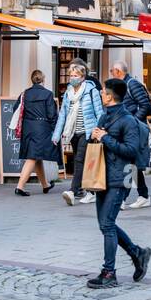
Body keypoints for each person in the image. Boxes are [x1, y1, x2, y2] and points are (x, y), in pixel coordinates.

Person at [86, 77, 151, 289]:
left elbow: (130, 150)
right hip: (102, 175)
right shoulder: (105, 115)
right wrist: (95, 136)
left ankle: (109, 273)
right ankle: (137, 253)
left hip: (121, 176)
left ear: (110, 95)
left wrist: (104, 137)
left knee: (107, 224)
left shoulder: (127, 120)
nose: (101, 94)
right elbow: (99, 141)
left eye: (103, 91)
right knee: (106, 224)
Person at [52, 60, 103, 206]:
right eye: (71, 75)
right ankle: (91, 192)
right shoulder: (68, 92)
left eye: (75, 75)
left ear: (82, 77)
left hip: (87, 132)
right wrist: (56, 135)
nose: (72, 78)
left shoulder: (91, 90)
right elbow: (63, 114)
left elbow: (99, 112)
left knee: (80, 160)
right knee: (81, 161)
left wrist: (99, 131)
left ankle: (72, 191)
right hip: (73, 132)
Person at [111, 61, 151, 210]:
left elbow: (145, 105)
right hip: (128, 129)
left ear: (118, 72)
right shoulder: (123, 86)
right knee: (133, 163)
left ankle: (122, 198)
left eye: (112, 71)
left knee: (128, 163)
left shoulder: (132, 84)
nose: (111, 73)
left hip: (134, 130)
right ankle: (143, 196)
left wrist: (133, 121)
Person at [14, 70, 60, 196]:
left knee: (36, 156)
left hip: (27, 128)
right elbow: (52, 115)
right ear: (43, 80)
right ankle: (20, 186)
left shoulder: (25, 94)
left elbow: (15, 109)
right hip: (42, 128)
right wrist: (55, 130)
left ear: (32, 79)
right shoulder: (48, 94)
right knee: (32, 157)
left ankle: (45, 185)